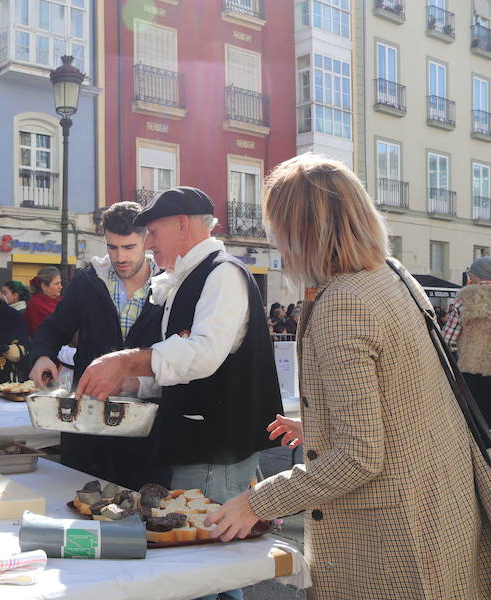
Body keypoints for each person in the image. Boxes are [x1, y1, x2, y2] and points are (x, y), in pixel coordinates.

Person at [207, 155, 491, 599]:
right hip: (442, 515)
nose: (276, 242)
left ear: (300, 229)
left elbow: (359, 456)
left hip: (394, 545)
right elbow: (412, 394)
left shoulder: (343, 303)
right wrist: (323, 424)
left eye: (278, 226)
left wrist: (256, 502)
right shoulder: (393, 276)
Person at [75, 187, 284, 600]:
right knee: (207, 562)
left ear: (182, 225)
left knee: (207, 563)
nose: (148, 244)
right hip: (200, 443)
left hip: (213, 447)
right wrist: (131, 382)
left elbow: (203, 354)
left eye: (152, 232)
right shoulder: (190, 278)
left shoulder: (221, 273)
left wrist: (127, 363)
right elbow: (180, 367)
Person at [28, 202, 162, 489]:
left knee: (145, 520)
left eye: (129, 247)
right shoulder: (88, 281)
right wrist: (42, 355)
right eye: (113, 247)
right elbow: (54, 327)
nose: (120, 256)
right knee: (80, 512)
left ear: (146, 240)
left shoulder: (169, 284)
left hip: (148, 427)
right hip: (87, 422)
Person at [442, 255, 491, 424]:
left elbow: (448, 340)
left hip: (473, 368)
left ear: (478, 275)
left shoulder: (465, 298)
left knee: (477, 419)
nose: (470, 276)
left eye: (471, 273)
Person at [24, 266, 62, 337]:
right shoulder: (36, 304)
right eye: (57, 284)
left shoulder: (60, 300)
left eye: (60, 283)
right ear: (44, 286)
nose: (60, 286)